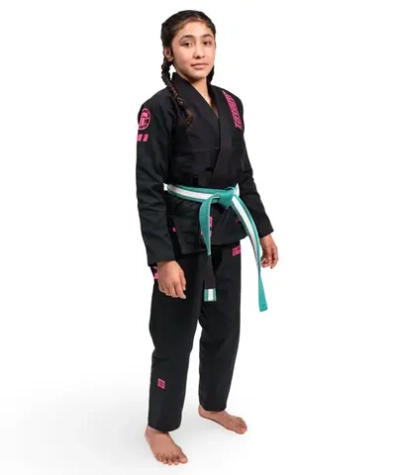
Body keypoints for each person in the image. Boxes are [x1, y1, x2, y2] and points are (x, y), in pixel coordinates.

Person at [135, 10, 278, 466]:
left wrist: (262, 228)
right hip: (182, 239)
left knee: (224, 329)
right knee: (174, 336)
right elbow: (148, 188)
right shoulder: (158, 108)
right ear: (168, 51)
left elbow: (242, 173)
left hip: (227, 231)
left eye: (207, 41)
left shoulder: (231, 103)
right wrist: (163, 259)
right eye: (187, 42)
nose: (199, 51)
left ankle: (212, 404)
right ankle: (158, 425)